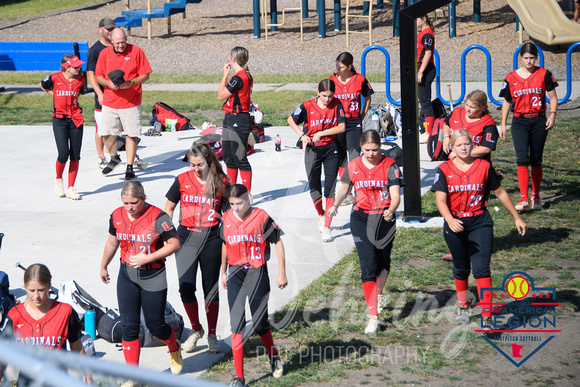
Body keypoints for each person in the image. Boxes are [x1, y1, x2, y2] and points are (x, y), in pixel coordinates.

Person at [432, 130, 526, 328]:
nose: (464, 148)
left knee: (482, 268)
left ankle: (487, 315)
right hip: (455, 223)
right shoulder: (444, 169)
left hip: (479, 222)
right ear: (452, 148)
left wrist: (516, 217)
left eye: (467, 144)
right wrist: (449, 219)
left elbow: (499, 192)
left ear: (472, 145)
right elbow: (440, 199)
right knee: (461, 268)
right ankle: (463, 305)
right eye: (459, 145)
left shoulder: (484, 166)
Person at [100, 181, 183, 377]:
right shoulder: (117, 215)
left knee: (156, 326)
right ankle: (134, 378)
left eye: (134, 203)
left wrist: (148, 257)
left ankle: (174, 348)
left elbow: (174, 244)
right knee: (129, 327)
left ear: (144, 199)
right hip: (127, 274)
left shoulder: (158, 217)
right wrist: (103, 265)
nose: (129, 207)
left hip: (152, 275)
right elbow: (113, 241)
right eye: (126, 202)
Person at [328, 130, 402, 334]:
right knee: (368, 265)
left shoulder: (390, 165)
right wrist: (335, 205)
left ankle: (377, 294)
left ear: (381, 147)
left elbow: (395, 195)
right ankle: (373, 317)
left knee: (383, 263)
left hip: (384, 218)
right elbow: (344, 187)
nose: (371, 153)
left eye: (375, 149)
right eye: (367, 150)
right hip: (361, 217)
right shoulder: (353, 166)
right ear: (361, 147)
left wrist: (391, 209)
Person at [164, 143, 229, 354]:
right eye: (192, 165)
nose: (196, 169)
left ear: (208, 160)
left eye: (200, 164)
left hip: (211, 238)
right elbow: (169, 208)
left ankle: (211, 333)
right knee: (185, 287)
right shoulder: (182, 180)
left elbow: (229, 215)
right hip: (186, 237)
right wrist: (168, 234)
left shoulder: (221, 181)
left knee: (210, 289)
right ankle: (196, 328)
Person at [220, 184, 287, 387]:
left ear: (248, 199)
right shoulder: (226, 218)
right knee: (236, 325)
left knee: (259, 324)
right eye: (232, 204)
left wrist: (281, 272)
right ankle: (238, 377)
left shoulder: (261, 216)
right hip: (235, 274)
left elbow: (277, 241)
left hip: (257, 272)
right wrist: (222, 271)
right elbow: (225, 243)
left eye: (239, 203)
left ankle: (274, 356)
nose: (236, 208)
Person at [5, 263, 91, 384]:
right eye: (31, 290)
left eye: (41, 290)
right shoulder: (15, 315)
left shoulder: (65, 312)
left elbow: (77, 348)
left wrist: (88, 378)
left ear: (49, 285)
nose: (36, 296)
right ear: (25, 287)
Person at [499, 42, 559, 211]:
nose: (529, 61)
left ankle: (537, 195)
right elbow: (507, 101)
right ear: (520, 58)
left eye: (532, 58)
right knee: (522, 159)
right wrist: (503, 124)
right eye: (525, 58)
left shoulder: (544, 74)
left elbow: (553, 97)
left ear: (536, 58)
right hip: (519, 121)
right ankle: (523, 198)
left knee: (536, 159)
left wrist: (552, 115)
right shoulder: (511, 77)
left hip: (539, 120)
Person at [288, 79, 346, 242]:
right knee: (314, 187)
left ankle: (327, 226)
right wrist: (302, 135)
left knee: (330, 187)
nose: (327, 99)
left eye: (330, 96)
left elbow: (342, 127)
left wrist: (325, 132)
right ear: (318, 93)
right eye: (323, 96)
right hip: (312, 150)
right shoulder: (307, 106)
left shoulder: (337, 104)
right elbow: (291, 119)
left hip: (330, 149)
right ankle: (320, 214)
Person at [95, 27, 152, 180]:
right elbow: (98, 76)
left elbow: (146, 75)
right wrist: (108, 83)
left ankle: (129, 166)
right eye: (118, 42)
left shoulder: (136, 51)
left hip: (131, 101)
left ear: (126, 39)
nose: (121, 45)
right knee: (105, 133)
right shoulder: (104, 54)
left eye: (123, 42)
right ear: (111, 40)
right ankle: (114, 158)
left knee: (131, 134)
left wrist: (131, 82)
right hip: (110, 100)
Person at [328, 52, 374, 206]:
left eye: (340, 67)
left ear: (349, 67)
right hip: (337, 123)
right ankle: (347, 191)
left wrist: (362, 115)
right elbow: (324, 99)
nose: (337, 69)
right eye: (336, 66)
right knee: (340, 156)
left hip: (354, 122)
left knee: (354, 156)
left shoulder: (360, 79)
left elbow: (368, 98)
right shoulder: (331, 80)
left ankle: (358, 189)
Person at [40, 55, 85, 200]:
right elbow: (42, 84)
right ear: (66, 67)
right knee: (63, 154)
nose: (78, 68)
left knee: (75, 155)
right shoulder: (54, 78)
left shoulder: (81, 79)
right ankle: (58, 179)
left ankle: (71, 187)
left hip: (76, 119)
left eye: (79, 66)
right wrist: (53, 94)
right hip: (59, 120)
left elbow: (77, 93)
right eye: (75, 66)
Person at [218, 47, 254, 195]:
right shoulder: (244, 75)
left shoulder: (239, 78)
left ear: (233, 59)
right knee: (228, 157)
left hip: (239, 119)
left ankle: (247, 193)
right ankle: (231, 191)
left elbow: (221, 95)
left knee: (240, 157)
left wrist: (225, 75)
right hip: (230, 117)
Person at [86, 17, 115, 169]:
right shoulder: (95, 50)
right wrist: (99, 93)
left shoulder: (117, 46)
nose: (110, 31)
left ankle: (114, 150)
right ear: (100, 30)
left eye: (112, 28)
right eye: (107, 29)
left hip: (117, 95)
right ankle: (101, 156)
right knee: (101, 127)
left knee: (117, 126)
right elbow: (91, 74)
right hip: (103, 95)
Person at [442, 90, 499, 161]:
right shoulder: (457, 112)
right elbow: (446, 123)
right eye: (467, 105)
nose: (468, 109)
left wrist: (461, 154)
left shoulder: (488, 122)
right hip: (452, 160)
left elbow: (486, 148)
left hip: (476, 162)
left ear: (482, 108)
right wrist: (446, 137)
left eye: (472, 107)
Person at [416, 14, 436, 144]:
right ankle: (422, 125)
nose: (415, 21)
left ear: (423, 18)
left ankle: (430, 131)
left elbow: (428, 53)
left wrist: (421, 72)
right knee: (422, 100)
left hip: (426, 69)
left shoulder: (427, 33)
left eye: (416, 18)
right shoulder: (422, 32)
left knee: (425, 101)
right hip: (421, 67)